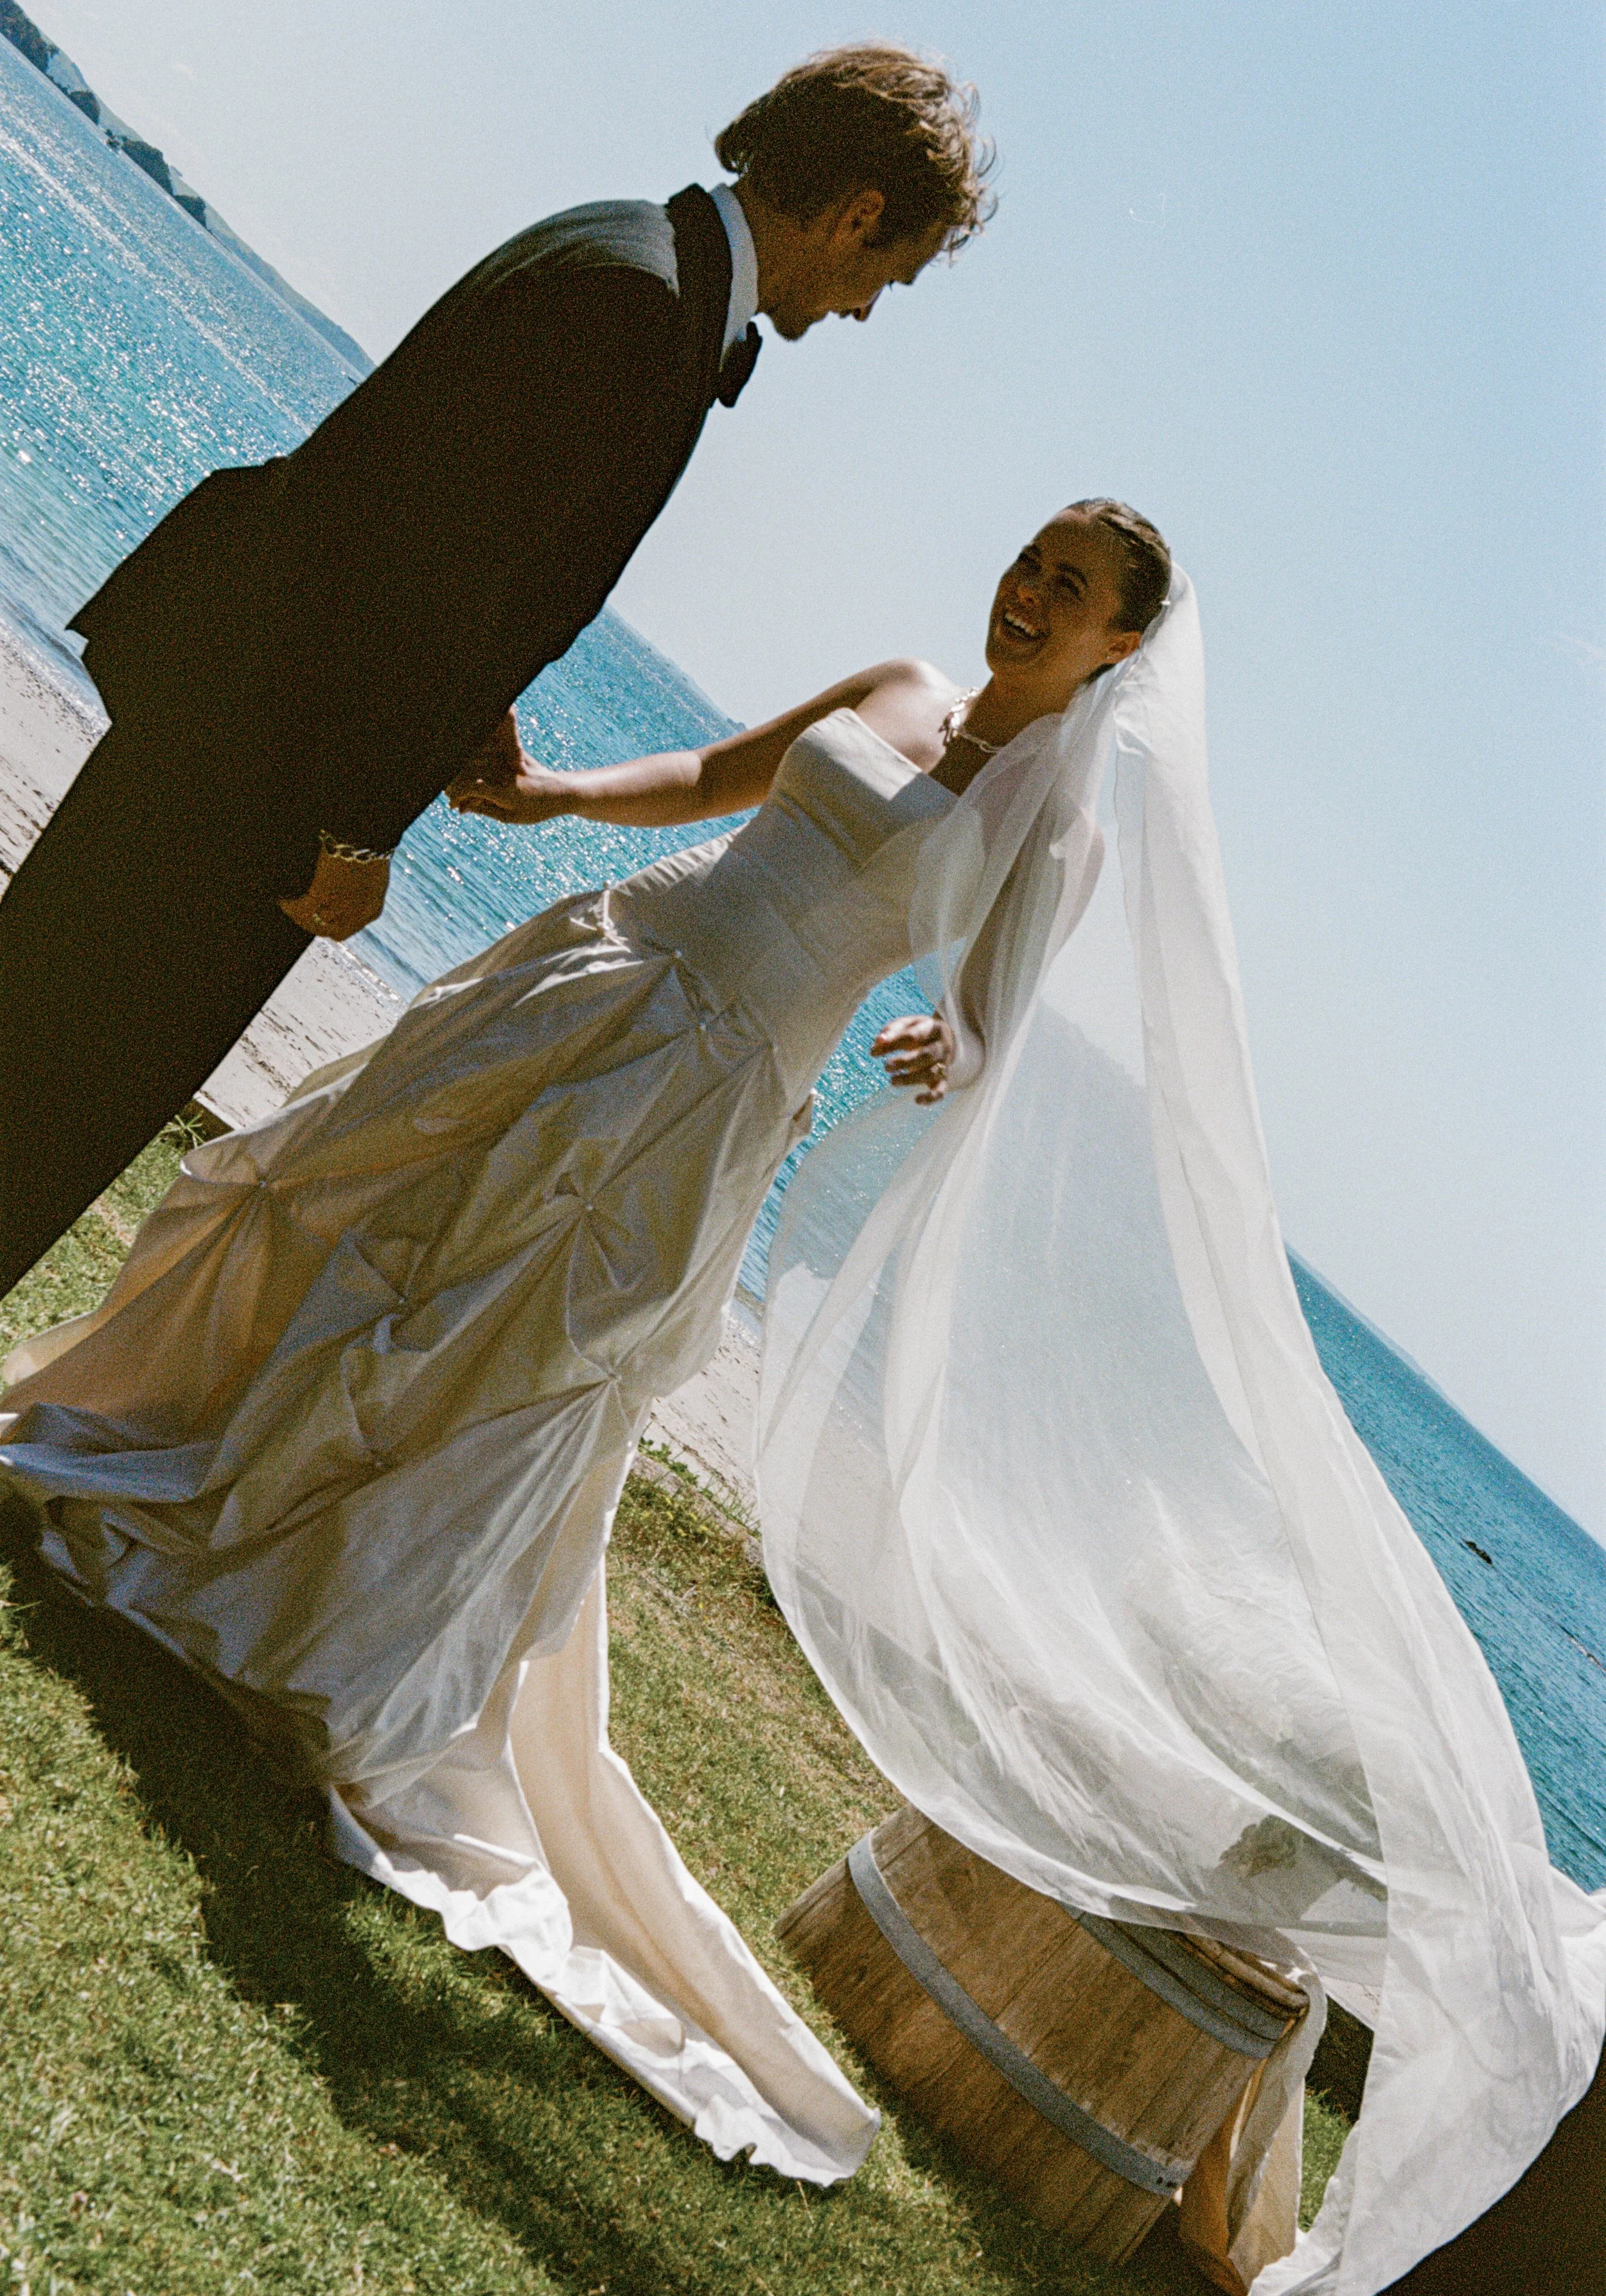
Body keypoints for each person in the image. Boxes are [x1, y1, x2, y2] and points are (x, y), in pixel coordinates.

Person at [0, 500, 1167, 2178]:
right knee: (352, 1191)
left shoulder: (1059, 830)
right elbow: (713, 774)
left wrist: (951, 1041)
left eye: (1072, 587)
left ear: (1118, 645)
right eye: (1032, 556)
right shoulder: (900, 682)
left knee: (512, 1357)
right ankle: (198, 1445)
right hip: (623, 956)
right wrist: (548, 796)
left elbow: (991, 1014)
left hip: (714, 1086)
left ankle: (321, 1620)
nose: (1030, 590)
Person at [0, 41, 991, 1301]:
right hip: (256, 770)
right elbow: (420, 575)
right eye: (884, 275)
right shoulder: (638, 307)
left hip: (234, 718)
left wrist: (479, 692)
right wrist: (353, 830)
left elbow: (460, 525)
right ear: (858, 212)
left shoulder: (633, 248)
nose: (862, 308)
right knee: (59, 1087)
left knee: (33, 1039)